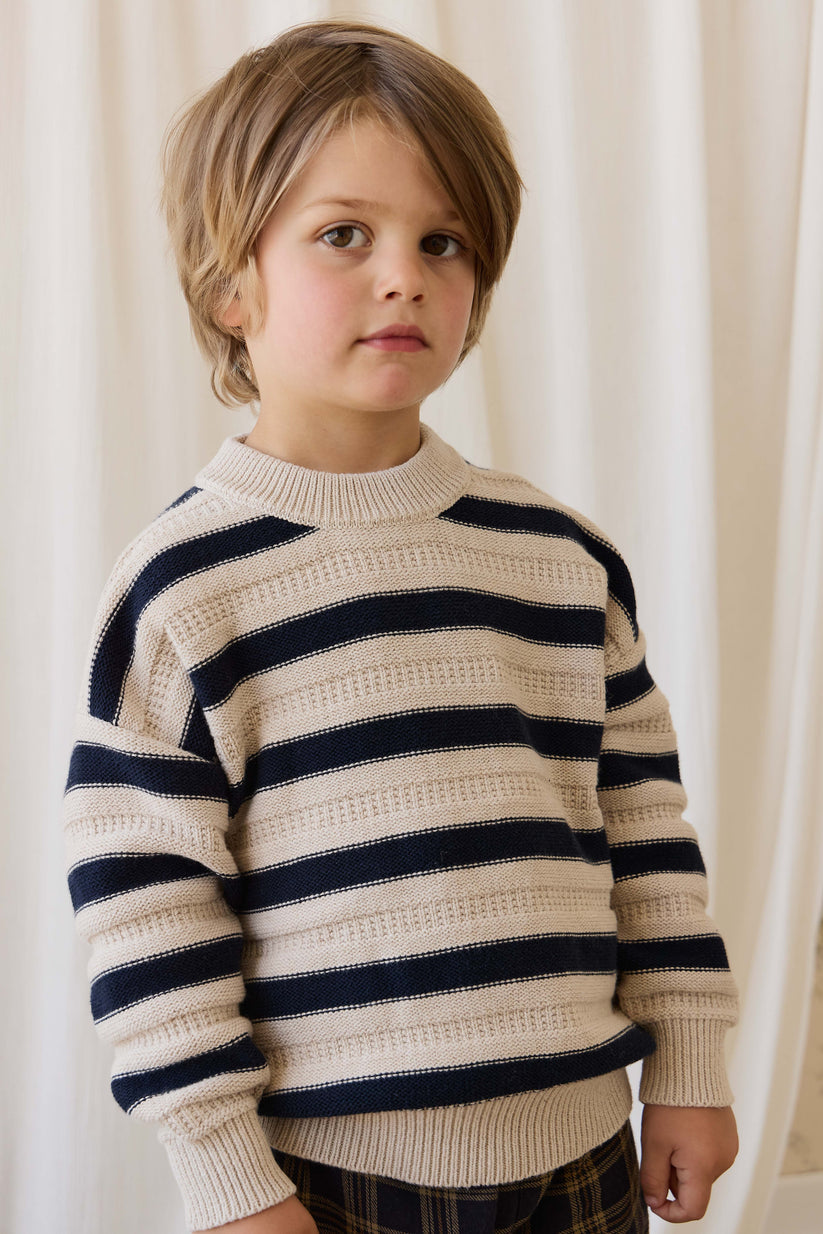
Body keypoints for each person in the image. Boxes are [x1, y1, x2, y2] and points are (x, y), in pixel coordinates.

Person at [62, 18, 740, 1234]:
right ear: (228, 281)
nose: (404, 275)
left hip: (584, 1150)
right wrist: (226, 1173)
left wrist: (687, 1063)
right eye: (342, 235)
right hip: (334, 1182)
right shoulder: (184, 587)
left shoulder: (557, 558)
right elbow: (146, 902)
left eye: (444, 241)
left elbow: (645, 828)